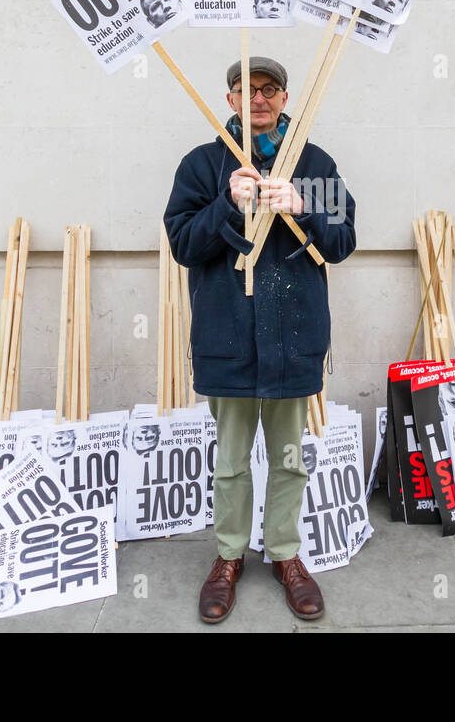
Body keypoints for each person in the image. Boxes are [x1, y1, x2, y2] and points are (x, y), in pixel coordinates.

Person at [164, 55, 356, 624]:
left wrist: (303, 208)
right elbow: (183, 244)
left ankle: (287, 556)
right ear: (229, 101)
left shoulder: (312, 163)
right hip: (228, 337)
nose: (259, 100)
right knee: (229, 462)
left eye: (270, 89)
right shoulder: (203, 165)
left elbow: (343, 239)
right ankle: (227, 558)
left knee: (290, 459)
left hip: (293, 336)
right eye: (247, 91)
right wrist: (228, 203)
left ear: (285, 96)